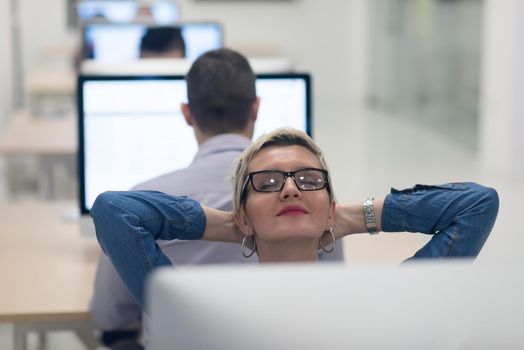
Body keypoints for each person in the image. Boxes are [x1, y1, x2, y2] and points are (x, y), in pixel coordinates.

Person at [89, 49, 344, 348]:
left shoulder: (142, 210)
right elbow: (329, 292)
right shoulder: (309, 204)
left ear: (187, 113)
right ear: (256, 108)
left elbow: (109, 316)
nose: (289, 190)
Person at [92, 127, 500, 311]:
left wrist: (353, 218)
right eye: (267, 183)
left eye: (308, 180)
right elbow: (115, 212)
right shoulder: (199, 309)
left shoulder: (381, 305)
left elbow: (476, 205)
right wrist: (228, 226)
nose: (290, 189)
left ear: (330, 206)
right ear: (243, 215)